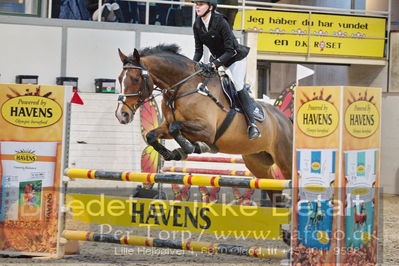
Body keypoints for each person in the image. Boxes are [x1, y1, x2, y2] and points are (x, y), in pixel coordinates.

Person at [192, 0, 260, 140]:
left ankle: (252, 125)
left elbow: (230, 50)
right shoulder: (197, 24)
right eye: (196, 4)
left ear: (210, 7)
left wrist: (214, 64)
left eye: (200, 4)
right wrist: (192, 65)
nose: (197, 6)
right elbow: (198, 51)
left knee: (237, 85)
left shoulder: (221, 21)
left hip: (235, 58)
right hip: (217, 58)